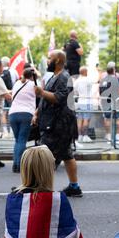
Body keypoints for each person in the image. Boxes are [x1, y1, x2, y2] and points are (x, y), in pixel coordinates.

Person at [33, 50, 82, 197]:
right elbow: (46, 98)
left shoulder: (64, 77)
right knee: (67, 155)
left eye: (50, 58)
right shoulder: (55, 76)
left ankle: (40, 189)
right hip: (54, 122)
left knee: (46, 156)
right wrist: (37, 112)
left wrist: (41, 93)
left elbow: (59, 98)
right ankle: (74, 187)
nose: (47, 61)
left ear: (58, 60)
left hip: (59, 125)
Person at [9, 68, 36, 173]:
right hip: (26, 113)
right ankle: (19, 165)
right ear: (32, 76)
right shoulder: (33, 85)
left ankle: (15, 164)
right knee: (22, 140)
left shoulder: (16, 84)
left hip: (12, 114)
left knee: (17, 140)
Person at [99, 62, 119, 144]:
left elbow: (100, 92)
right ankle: (118, 136)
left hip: (105, 101)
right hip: (115, 101)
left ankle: (108, 136)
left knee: (107, 118)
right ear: (114, 70)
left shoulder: (103, 80)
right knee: (117, 118)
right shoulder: (117, 79)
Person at [73, 66, 93, 143]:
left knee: (79, 119)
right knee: (86, 119)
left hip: (80, 101)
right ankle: (85, 136)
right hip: (87, 102)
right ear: (85, 72)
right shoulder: (88, 80)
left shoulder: (77, 81)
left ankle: (80, 136)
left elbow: (75, 91)